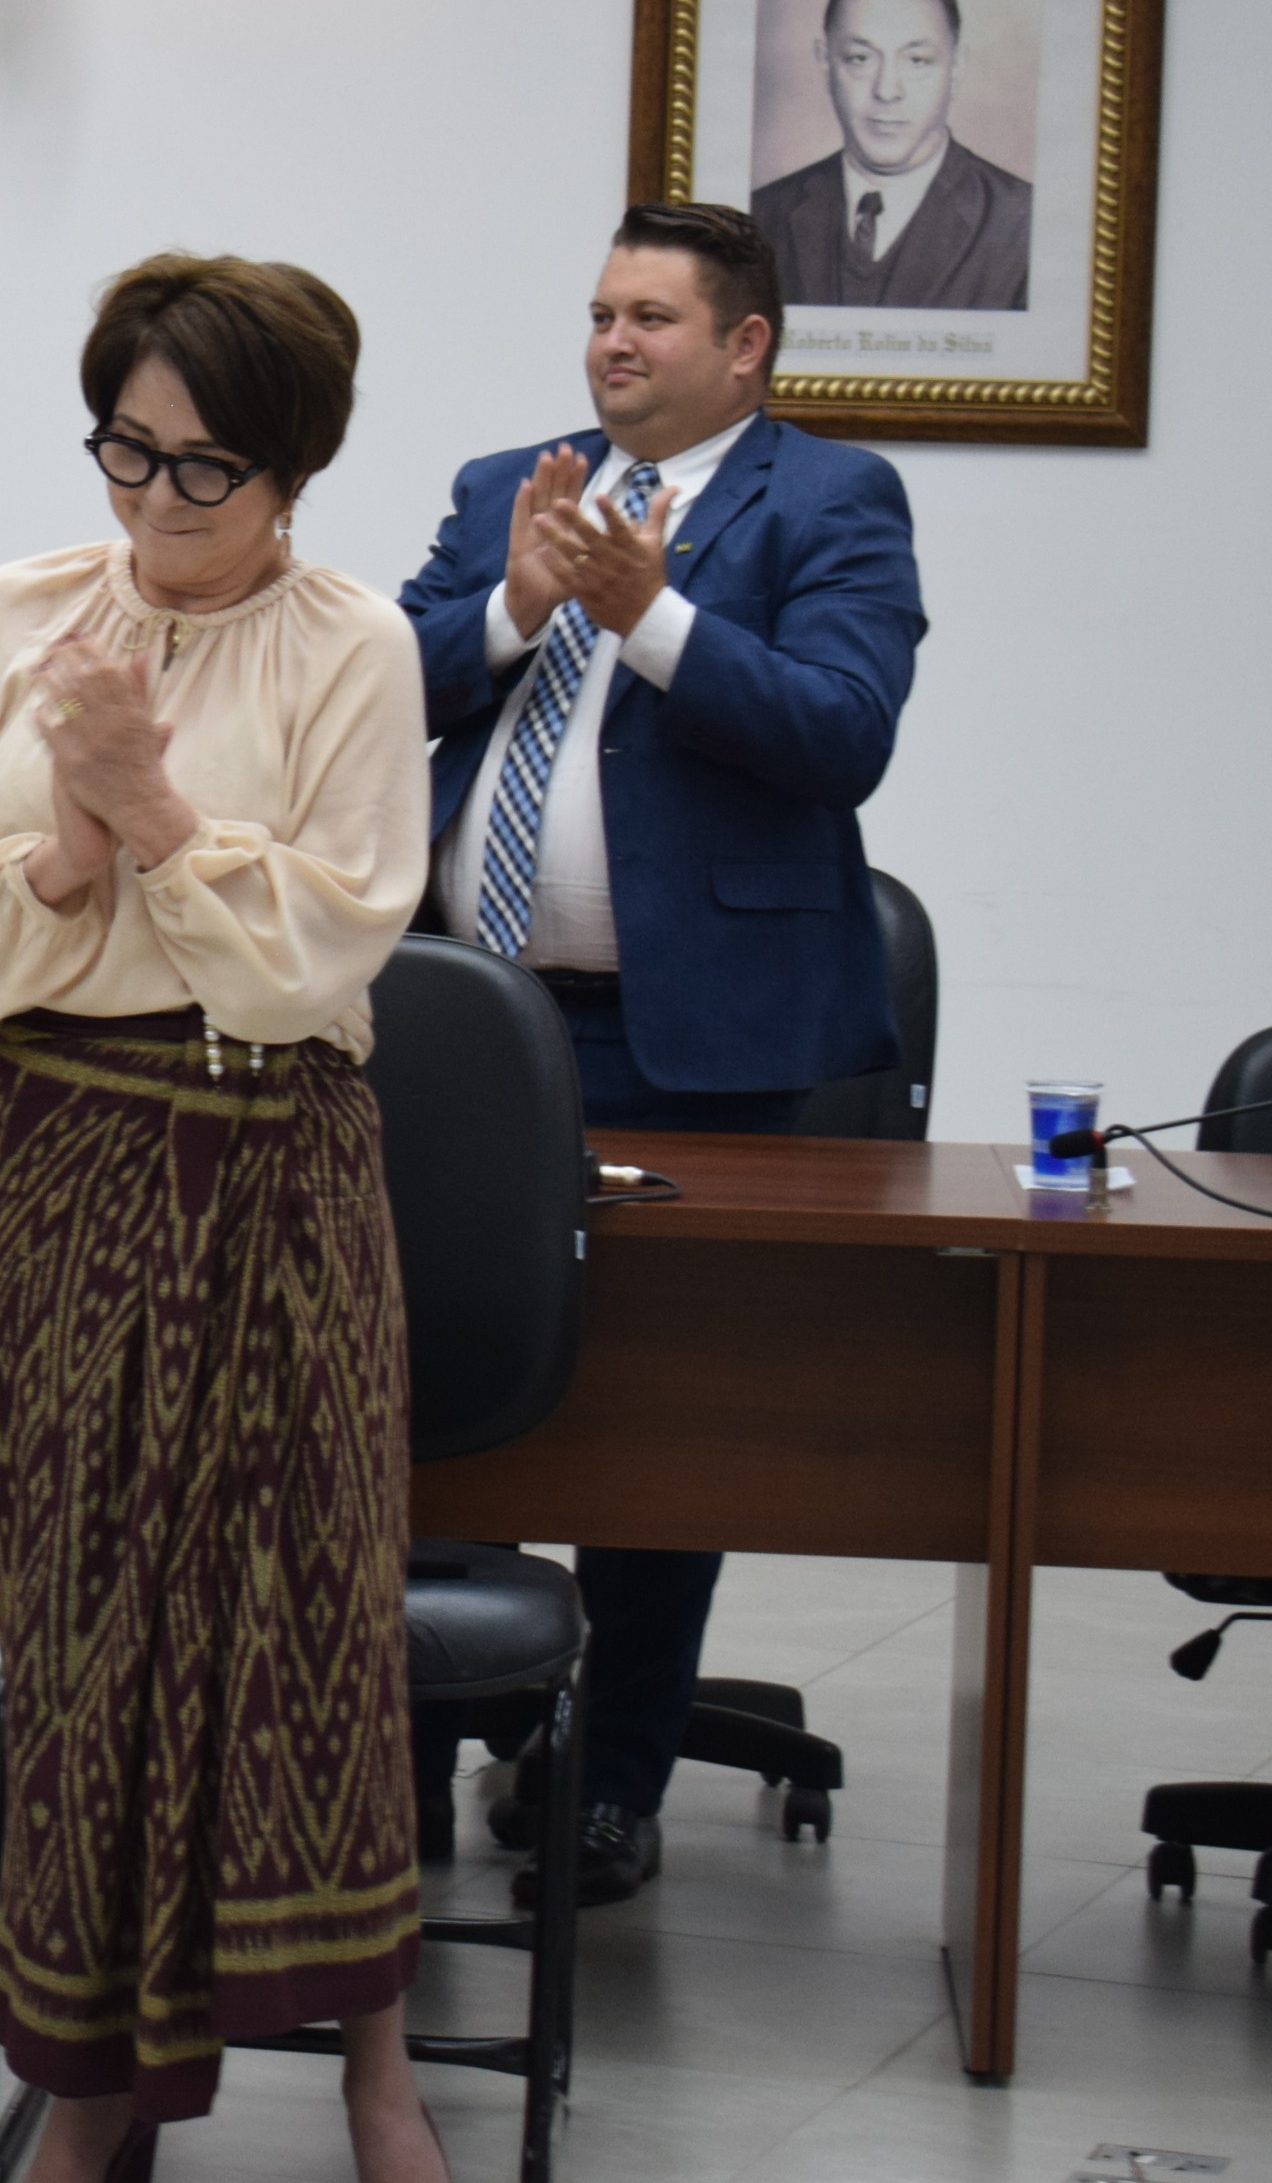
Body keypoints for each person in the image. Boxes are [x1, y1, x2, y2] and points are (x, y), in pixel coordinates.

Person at [0, 255, 442, 2183]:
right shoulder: (10, 617)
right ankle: (89, 2087)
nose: (155, 502)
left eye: (205, 469)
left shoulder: (355, 647)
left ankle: (375, 2068)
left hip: (273, 1162)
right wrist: (66, 844)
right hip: (51, 1160)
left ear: (292, 470)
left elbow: (315, 954)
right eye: (126, 450)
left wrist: (155, 812)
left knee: (303, 1617)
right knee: (83, 1632)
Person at [395, 200, 923, 1905]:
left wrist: (655, 616)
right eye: (602, 311)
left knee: (656, 1425)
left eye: (652, 317)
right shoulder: (509, 485)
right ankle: (415, 1749)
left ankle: (607, 1780)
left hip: (695, 1043)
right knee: (439, 1386)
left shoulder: (830, 499)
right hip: (472, 1027)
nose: (612, 342)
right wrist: (511, 603)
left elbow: (842, 732)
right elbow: (373, 684)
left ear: (744, 345)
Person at [750, 0, 1032, 309]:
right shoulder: (759, 216)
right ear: (825, 62)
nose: (886, 91)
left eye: (917, 61)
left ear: (956, 67)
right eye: (860, 58)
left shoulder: (1025, 225)